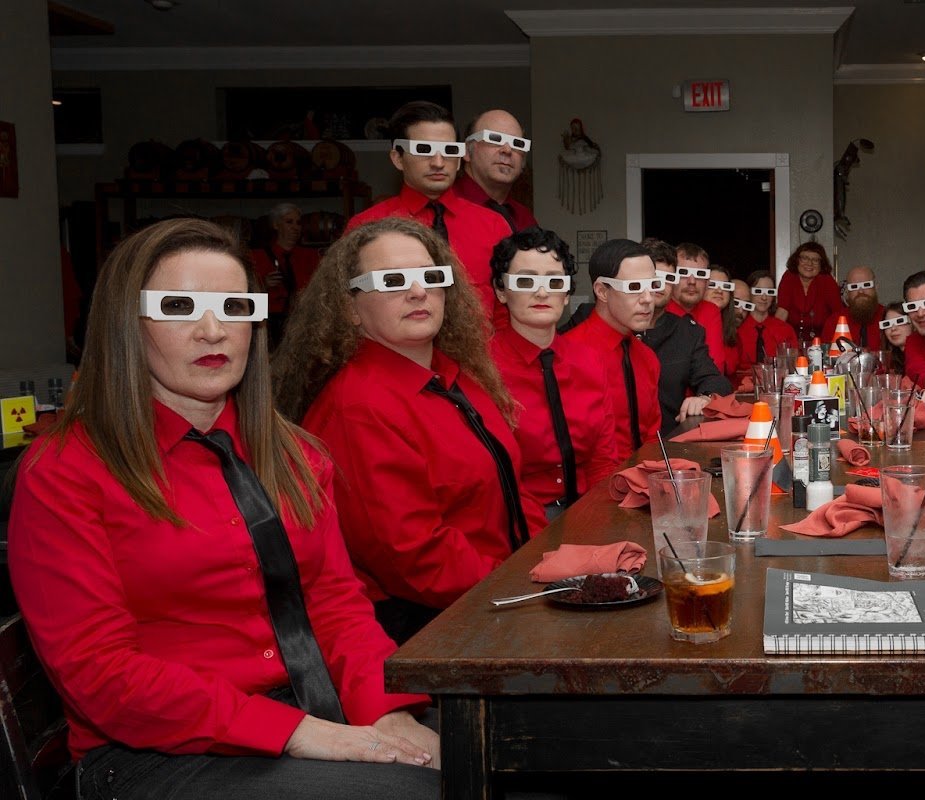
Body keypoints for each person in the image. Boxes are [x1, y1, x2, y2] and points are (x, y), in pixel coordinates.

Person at [9, 218, 440, 800]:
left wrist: (387, 713)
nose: (213, 330)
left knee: (500, 753)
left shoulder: (297, 455)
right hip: (154, 754)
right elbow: (100, 673)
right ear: (126, 326)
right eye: (179, 305)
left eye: (235, 305)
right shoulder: (65, 471)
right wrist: (297, 732)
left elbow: (336, 604)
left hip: (312, 708)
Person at [273, 217, 529, 643]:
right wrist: (520, 587)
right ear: (350, 308)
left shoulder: (456, 376)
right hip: (426, 626)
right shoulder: (358, 407)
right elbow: (415, 558)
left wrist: (542, 563)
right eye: (392, 280)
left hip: (493, 594)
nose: (418, 291)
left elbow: (510, 486)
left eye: (431, 277)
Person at [488, 227, 619, 526]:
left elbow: (603, 458)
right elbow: (490, 474)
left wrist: (601, 517)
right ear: (500, 291)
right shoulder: (483, 367)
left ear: (567, 292)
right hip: (514, 518)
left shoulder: (588, 360)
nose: (542, 292)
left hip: (588, 507)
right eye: (526, 281)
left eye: (554, 281)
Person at [345, 101, 512, 320]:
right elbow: (351, 308)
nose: (438, 162)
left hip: (480, 352)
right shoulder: (366, 227)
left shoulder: (494, 225)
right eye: (424, 150)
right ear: (398, 158)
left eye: (449, 151)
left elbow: (508, 310)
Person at [562, 238, 664, 457]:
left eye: (653, 286)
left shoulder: (647, 357)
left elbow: (651, 438)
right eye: (634, 287)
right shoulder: (568, 355)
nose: (648, 299)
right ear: (602, 291)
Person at [642, 246, 733, 425]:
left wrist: (705, 397)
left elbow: (713, 375)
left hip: (674, 428)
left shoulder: (689, 331)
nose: (692, 281)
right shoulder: (607, 320)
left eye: (667, 278)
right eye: (684, 273)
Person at [456, 108, 538, 233]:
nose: (507, 150)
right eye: (494, 139)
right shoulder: (443, 208)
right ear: (467, 151)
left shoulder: (524, 218)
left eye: (517, 143)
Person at [251, 202, 320, 347]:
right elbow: (247, 292)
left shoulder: (311, 256)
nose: (295, 227)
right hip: (270, 322)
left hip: (301, 320)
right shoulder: (258, 256)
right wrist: (264, 284)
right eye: (289, 222)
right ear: (276, 225)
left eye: (298, 223)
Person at [667, 242, 727, 377]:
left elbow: (716, 368)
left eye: (700, 274)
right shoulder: (658, 309)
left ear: (707, 281)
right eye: (683, 273)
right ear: (671, 277)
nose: (692, 281)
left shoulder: (711, 311)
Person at [775, 242, 845, 342]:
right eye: (805, 258)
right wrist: (773, 335)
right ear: (797, 260)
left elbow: (838, 315)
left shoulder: (827, 281)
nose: (809, 263)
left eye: (815, 260)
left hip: (823, 341)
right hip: (792, 340)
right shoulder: (789, 277)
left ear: (821, 264)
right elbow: (782, 311)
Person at [735, 269, 799, 374]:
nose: (764, 297)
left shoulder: (786, 329)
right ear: (749, 293)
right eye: (758, 291)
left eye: (769, 292)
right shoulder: (737, 327)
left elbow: (794, 367)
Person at [841, 265, 889, 349]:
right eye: (854, 287)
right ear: (847, 291)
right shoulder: (833, 321)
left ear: (876, 287)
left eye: (866, 285)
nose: (860, 291)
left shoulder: (888, 317)